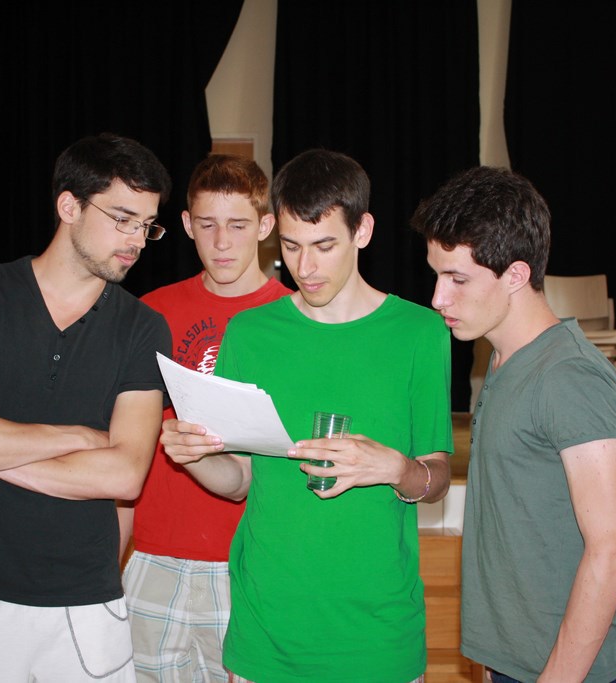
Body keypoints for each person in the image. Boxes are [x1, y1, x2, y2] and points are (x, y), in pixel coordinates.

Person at [160, 149, 453, 683]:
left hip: (378, 633)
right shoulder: (250, 333)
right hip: (267, 632)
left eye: (324, 246)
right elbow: (239, 480)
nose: (306, 268)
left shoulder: (419, 333)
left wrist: (396, 468)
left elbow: (436, 479)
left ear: (363, 231)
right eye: (292, 246)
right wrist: (194, 456)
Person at [0, 132, 173, 682]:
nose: (137, 240)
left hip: (89, 601)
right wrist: (80, 437)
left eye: (147, 225)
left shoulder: (144, 327)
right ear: (69, 206)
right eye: (122, 219)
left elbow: (125, 474)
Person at [410, 166, 616, 683]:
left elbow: (613, 549)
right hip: (516, 666)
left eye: (457, 279)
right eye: (437, 275)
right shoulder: (502, 363)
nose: (438, 298)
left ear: (516, 275)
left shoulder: (568, 376)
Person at [118, 153, 290, 681]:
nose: (221, 242)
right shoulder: (148, 312)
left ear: (265, 226)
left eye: (237, 225)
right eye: (208, 224)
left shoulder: (295, 320)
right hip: (152, 557)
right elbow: (115, 440)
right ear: (187, 224)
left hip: (251, 563)